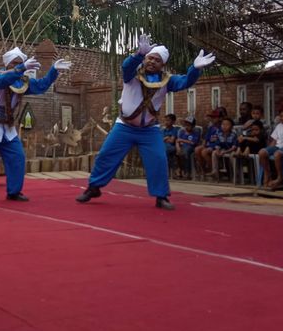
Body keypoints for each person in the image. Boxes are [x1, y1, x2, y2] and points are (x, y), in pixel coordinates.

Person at [76, 34, 215, 209]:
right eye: (150, 57)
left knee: (158, 159)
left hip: (149, 130)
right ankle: (93, 188)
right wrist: (138, 55)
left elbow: (185, 82)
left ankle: (161, 196)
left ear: (162, 64)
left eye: (157, 60)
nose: (152, 62)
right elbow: (126, 66)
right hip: (124, 127)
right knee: (106, 155)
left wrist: (194, 69)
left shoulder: (167, 81)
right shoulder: (132, 74)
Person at [0, 48, 72, 202]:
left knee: (17, 157)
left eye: (21, 63)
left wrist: (54, 70)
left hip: (8, 128)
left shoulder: (21, 82)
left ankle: (14, 192)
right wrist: (22, 68)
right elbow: (3, 81)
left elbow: (41, 86)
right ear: (8, 64)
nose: (19, 66)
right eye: (15, 63)